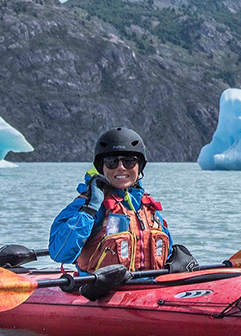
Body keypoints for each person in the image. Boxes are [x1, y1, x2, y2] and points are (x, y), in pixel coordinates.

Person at [49, 127, 196, 300]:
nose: (120, 168)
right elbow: (59, 253)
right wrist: (91, 208)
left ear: (139, 166)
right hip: (99, 292)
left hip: (148, 290)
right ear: (101, 166)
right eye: (111, 162)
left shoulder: (146, 207)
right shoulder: (86, 205)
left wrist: (177, 262)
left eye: (129, 161)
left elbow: (166, 249)